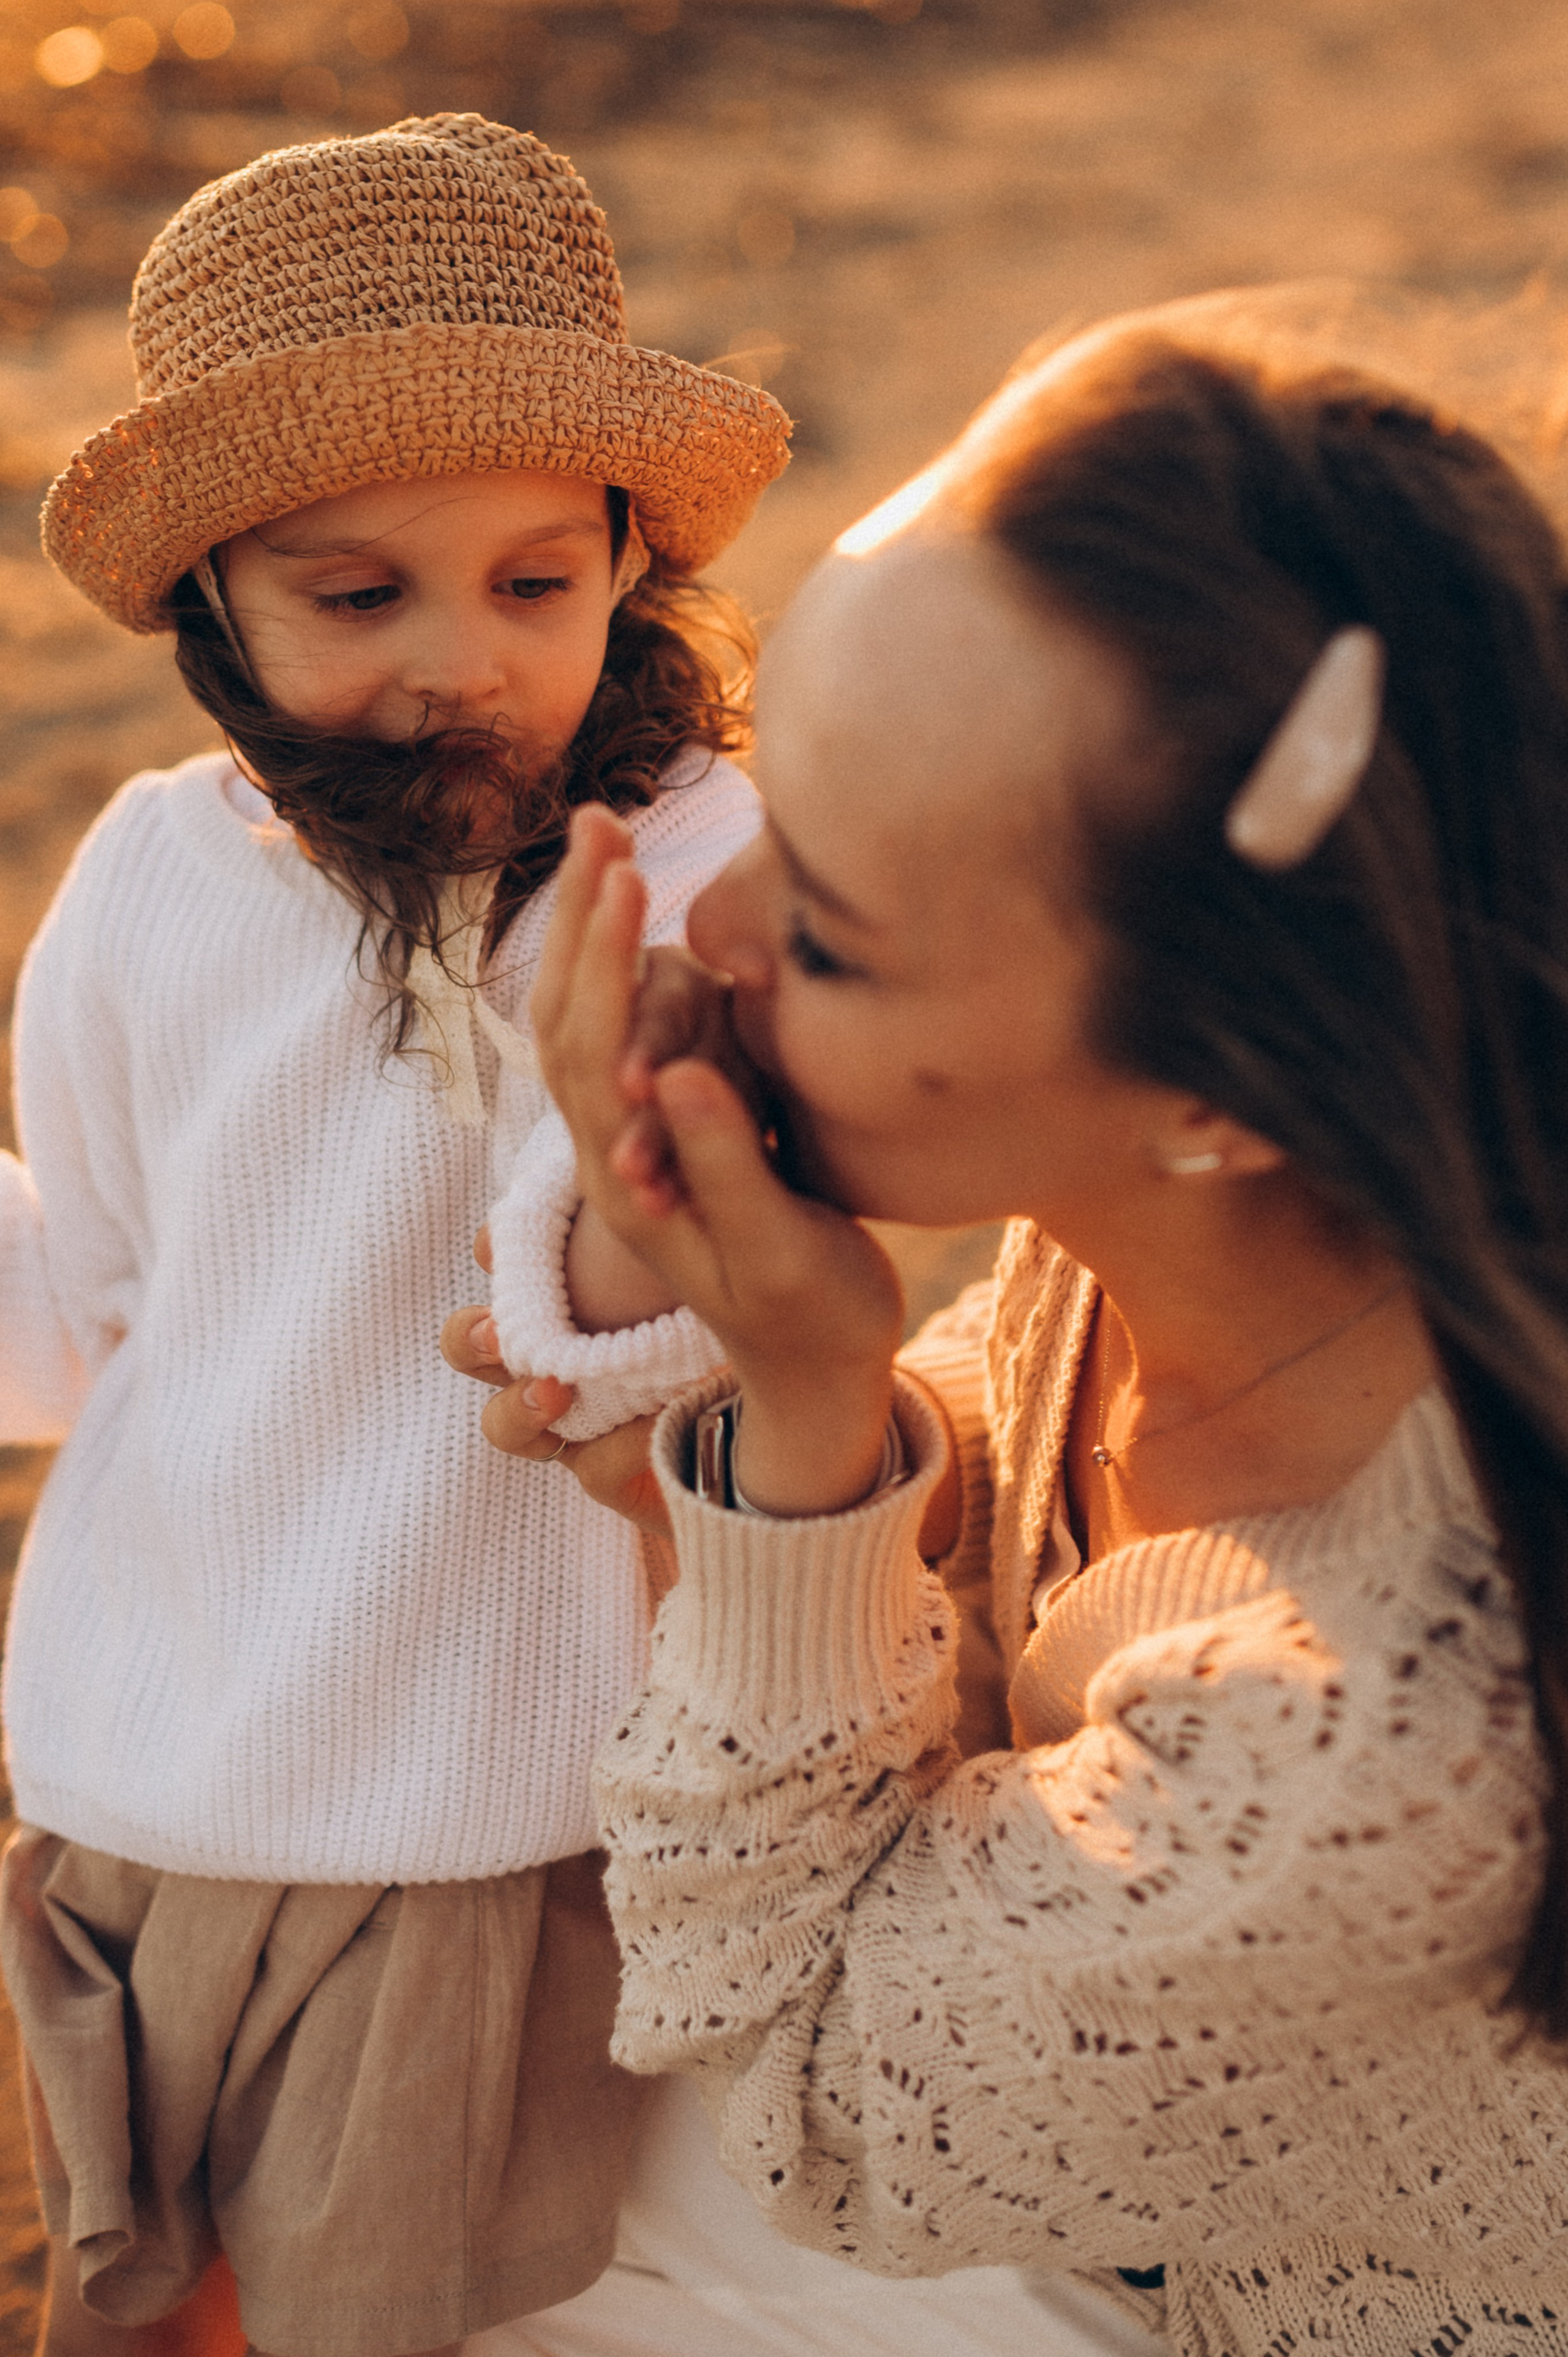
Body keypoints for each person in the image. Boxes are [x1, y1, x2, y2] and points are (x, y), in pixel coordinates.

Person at [459, 301, 1568, 2354]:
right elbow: (1014, 1511)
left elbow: (815, 2104)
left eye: (840, 935)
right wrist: (806, 1432)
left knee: (487, 2221)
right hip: (1118, 2137)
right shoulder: (1292, 1213)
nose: (716, 929)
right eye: (770, 806)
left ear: (1219, 1092)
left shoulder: (1378, 1751)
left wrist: (796, 1420)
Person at [0, 113, 792, 2357]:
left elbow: (687, 1331)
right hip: (137, 1751)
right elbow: (85, 1318)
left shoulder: (686, 856)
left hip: (471, 1770)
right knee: (149, 2286)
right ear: (214, 607)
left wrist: (611, 1140)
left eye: (538, 582)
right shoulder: (154, 873)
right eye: (362, 599)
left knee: (390, 2314)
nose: (465, 663)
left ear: (626, 558)